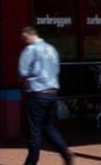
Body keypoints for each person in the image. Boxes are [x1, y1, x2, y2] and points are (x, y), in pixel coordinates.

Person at [18, 26, 74, 165]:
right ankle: (65, 152)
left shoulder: (30, 49)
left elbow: (22, 72)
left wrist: (27, 82)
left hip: (37, 93)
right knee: (48, 127)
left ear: (27, 35)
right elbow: (57, 69)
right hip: (52, 93)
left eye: (23, 37)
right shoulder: (51, 49)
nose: (23, 40)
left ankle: (31, 162)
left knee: (34, 130)